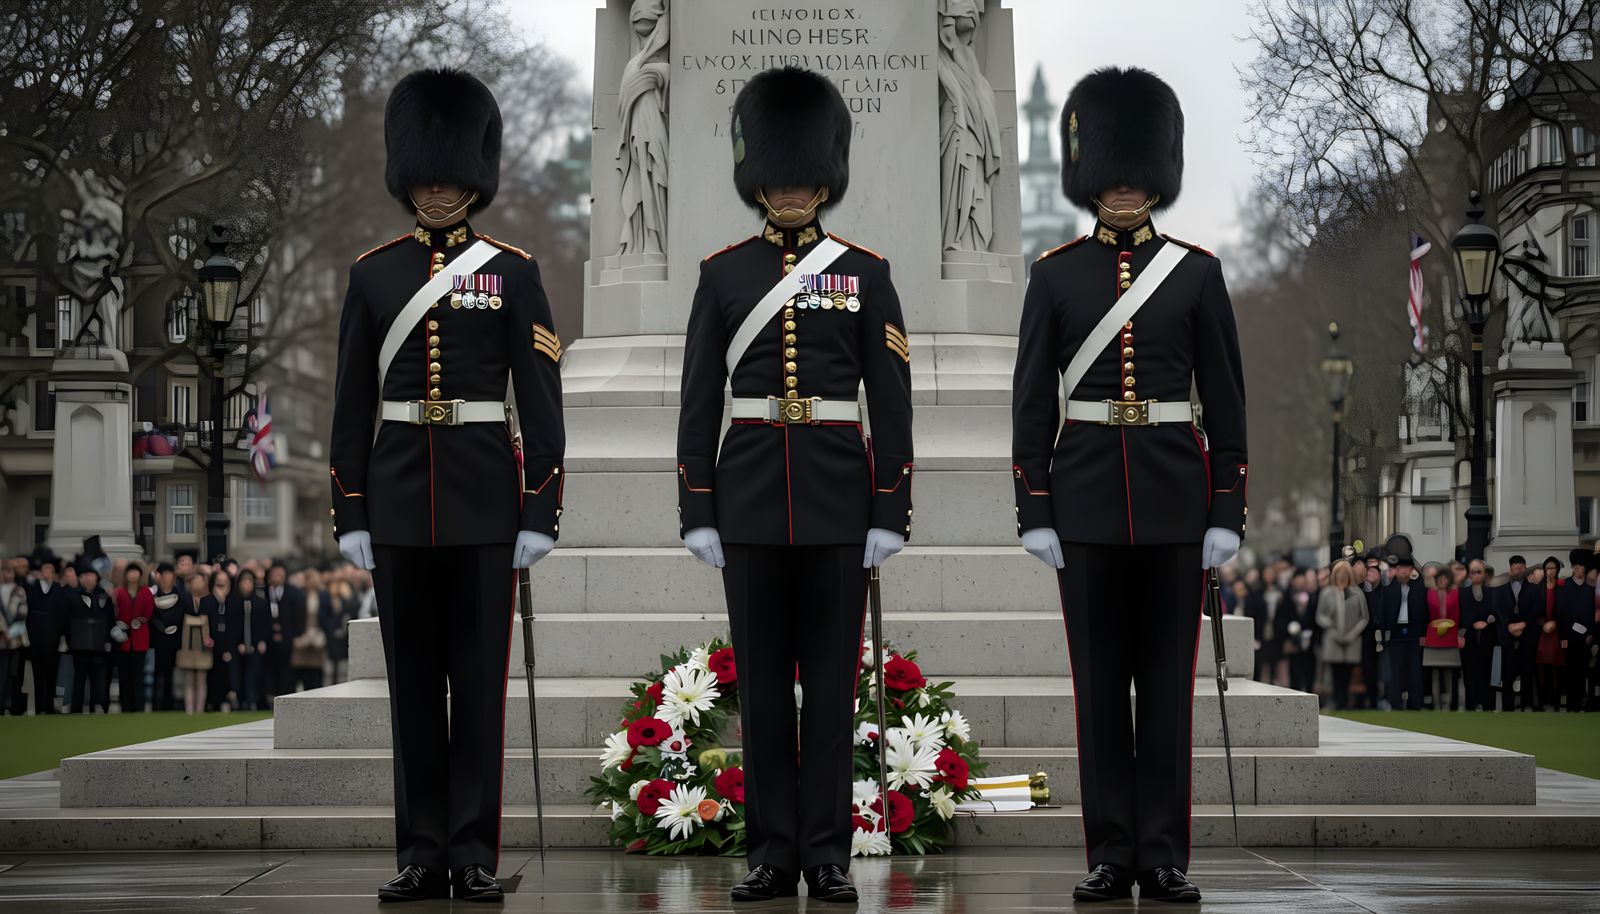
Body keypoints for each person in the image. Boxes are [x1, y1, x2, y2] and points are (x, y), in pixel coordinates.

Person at [676, 66, 913, 906]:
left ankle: (827, 854)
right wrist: (696, 507)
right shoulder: (724, 274)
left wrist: (891, 506)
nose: (789, 190)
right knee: (768, 693)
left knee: (833, 694)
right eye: (775, 176)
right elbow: (699, 397)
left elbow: (890, 398)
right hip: (746, 500)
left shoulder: (867, 272)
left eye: (802, 175)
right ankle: (771, 853)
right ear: (757, 179)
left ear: (826, 177)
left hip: (839, 500)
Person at [329, 67, 564, 903]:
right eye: (425, 173)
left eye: (450, 172)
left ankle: (470, 850)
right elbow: (352, 399)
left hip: (485, 500)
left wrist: (541, 506)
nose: (437, 186)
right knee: (414, 692)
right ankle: (422, 850)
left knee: (478, 688)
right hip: (395, 498)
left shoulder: (513, 272)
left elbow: (539, 400)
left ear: (474, 176)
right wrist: (349, 506)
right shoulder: (374, 274)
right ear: (407, 175)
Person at [1012, 66, 1245, 905]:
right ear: (1088, 177)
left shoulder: (1196, 273)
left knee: (1167, 695)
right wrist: (1034, 507)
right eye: (1110, 174)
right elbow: (1032, 400)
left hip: (1179, 501)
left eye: (1135, 173)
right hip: (1083, 505)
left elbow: (1225, 400)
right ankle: (1112, 851)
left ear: (1158, 175)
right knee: (1101, 693)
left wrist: (1228, 509)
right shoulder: (1055, 275)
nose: (1122, 188)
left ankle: (1164, 853)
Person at [1315, 561, 1367, 710]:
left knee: (1348, 673)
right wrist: (1331, 628)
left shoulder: (1357, 593)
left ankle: (1346, 701)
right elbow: (1320, 616)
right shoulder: (1327, 593)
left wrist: (1353, 633)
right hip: (1333, 639)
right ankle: (1338, 701)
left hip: (1352, 640)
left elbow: (1364, 617)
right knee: (1335, 673)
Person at [1378, 554, 1428, 710]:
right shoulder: (1389, 590)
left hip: (1413, 633)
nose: (1402, 571)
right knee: (1395, 670)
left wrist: (1423, 634)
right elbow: (1384, 614)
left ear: (1411, 570)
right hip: (1395, 633)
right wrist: (1383, 635)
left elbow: (1424, 612)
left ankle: (1415, 703)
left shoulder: (1419, 588)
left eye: (1405, 568)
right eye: (1399, 568)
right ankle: (1395, 702)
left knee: (1414, 670)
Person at [1496, 555, 1544, 710]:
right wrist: (1510, 626)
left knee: (1527, 673)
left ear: (1525, 568)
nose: (1518, 571)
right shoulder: (1501, 589)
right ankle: (1507, 707)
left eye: (1521, 568)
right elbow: (1498, 610)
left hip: (1528, 635)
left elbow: (1537, 608)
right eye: (1515, 568)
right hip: (1507, 636)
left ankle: (1527, 705)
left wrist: (1523, 624)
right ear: (1510, 569)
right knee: (1507, 674)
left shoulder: (1535, 589)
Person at [66, 562, 115, 713]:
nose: (88, 579)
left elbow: (110, 619)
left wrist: (108, 641)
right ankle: (76, 708)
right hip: (79, 645)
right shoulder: (73, 596)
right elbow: (67, 621)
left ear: (96, 578)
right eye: (85, 576)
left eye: (91, 576)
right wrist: (69, 641)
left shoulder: (103, 596)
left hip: (99, 645)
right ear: (80, 579)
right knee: (79, 679)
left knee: (98, 679)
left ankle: (98, 706)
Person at [24, 552, 69, 714]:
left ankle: (49, 707)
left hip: (53, 637)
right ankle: (38, 707)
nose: (47, 572)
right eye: (45, 569)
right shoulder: (32, 586)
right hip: (35, 636)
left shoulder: (59, 589)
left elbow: (63, 612)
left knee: (51, 672)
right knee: (37, 673)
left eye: (50, 569)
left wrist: (62, 636)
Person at [1555, 549, 1596, 712]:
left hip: (1587, 638)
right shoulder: (1565, 587)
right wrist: (1565, 635)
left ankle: (1583, 703)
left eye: (1579, 566)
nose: (1577, 569)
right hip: (1570, 637)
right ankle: (1572, 706)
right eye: (1575, 566)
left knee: (1584, 672)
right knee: (1570, 672)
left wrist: (1591, 633)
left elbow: (1594, 612)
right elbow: (1561, 613)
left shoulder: (1591, 588)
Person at [112, 562, 155, 712]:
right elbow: (115, 612)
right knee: (124, 675)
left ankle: (139, 706)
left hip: (140, 638)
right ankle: (126, 706)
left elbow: (149, 612)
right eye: (130, 572)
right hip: (123, 638)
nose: (133, 575)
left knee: (138, 675)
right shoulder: (119, 592)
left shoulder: (145, 592)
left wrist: (140, 619)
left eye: (135, 572)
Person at [1458, 560, 1497, 711]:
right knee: (1469, 674)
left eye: (1479, 572)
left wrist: (1487, 622)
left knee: (1487, 673)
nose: (1476, 575)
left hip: (1488, 638)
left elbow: (1496, 613)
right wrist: (1472, 624)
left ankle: (1488, 705)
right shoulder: (1463, 593)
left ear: (1484, 573)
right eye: (1473, 572)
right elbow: (1460, 615)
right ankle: (1470, 705)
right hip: (1469, 639)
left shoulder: (1492, 593)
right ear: (1468, 574)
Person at [149, 562, 188, 712]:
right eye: (163, 574)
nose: (167, 577)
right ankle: (156, 705)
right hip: (158, 641)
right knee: (158, 673)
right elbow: (151, 615)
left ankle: (169, 704)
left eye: (169, 574)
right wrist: (161, 627)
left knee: (171, 673)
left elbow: (184, 611)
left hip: (174, 641)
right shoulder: (153, 593)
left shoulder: (180, 593)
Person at [263, 562, 303, 703]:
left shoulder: (293, 592)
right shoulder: (263, 592)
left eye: (280, 574)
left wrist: (296, 634)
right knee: (270, 669)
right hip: (268, 640)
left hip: (287, 638)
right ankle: (270, 697)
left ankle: (286, 697)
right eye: (274, 574)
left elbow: (298, 615)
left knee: (287, 670)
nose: (276, 577)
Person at [1422, 565, 1461, 710]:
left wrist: (1458, 633)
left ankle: (1453, 703)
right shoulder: (1430, 593)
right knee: (1434, 671)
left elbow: (1457, 614)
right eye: (1440, 578)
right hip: (1433, 635)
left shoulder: (1455, 593)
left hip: (1451, 634)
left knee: (1451, 671)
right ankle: (1434, 702)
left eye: (1445, 578)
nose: (1442, 581)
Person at [204, 570, 240, 712]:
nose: (221, 582)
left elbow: (235, 627)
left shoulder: (232, 601)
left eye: (224, 580)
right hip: (211, 644)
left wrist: (228, 648)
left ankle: (226, 700)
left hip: (228, 644)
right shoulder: (208, 600)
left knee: (227, 673)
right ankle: (212, 701)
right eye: (219, 579)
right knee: (212, 675)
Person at [1535, 556, 1565, 710]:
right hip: (1542, 632)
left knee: (1555, 666)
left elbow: (1565, 611)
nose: (1550, 572)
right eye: (1548, 568)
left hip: (1556, 632)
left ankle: (1556, 703)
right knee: (1541, 665)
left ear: (1557, 570)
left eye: (1553, 568)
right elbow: (1534, 611)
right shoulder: (1539, 589)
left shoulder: (1562, 588)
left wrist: (1555, 623)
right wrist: (1543, 624)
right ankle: (1540, 702)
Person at [290, 571, 327, 693]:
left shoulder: (323, 595)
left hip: (318, 636)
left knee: (316, 669)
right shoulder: (300, 595)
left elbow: (328, 615)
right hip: (303, 635)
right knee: (302, 668)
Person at [1359, 556, 1387, 708]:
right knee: (1368, 668)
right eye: (1368, 570)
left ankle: (1385, 696)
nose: (1370, 573)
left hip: (1383, 632)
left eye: (1374, 570)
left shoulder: (1386, 591)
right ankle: (1372, 699)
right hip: (1367, 634)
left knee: (1385, 666)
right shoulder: (1362, 591)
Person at [0, 562, 26, 713]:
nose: (7, 575)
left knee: (11, 675)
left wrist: (10, 634)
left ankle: (7, 704)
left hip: (13, 642)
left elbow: (22, 615)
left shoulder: (19, 591)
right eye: (5, 572)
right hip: (2, 639)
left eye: (10, 572)